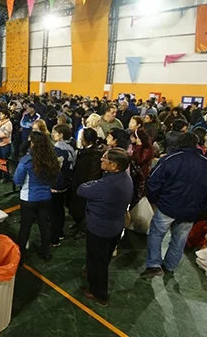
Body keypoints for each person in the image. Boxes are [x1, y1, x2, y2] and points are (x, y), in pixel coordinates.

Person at [141, 133, 207, 278]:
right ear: (196, 144)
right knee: (179, 240)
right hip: (190, 211)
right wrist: (202, 209)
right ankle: (170, 266)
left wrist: (155, 200)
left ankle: (153, 265)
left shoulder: (169, 160)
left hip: (167, 207)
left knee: (156, 234)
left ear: (178, 144)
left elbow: (153, 182)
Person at [77, 148, 133, 306]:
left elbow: (82, 189)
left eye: (105, 159)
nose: (101, 159)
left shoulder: (107, 184)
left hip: (100, 228)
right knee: (104, 256)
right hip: (115, 226)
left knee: (98, 262)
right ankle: (91, 270)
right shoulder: (125, 178)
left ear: (114, 166)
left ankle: (98, 293)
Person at [14, 131, 60, 261]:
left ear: (33, 144)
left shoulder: (26, 161)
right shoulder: (51, 159)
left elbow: (17, 180)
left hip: (29, 199)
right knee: (44, 225)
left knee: (25, 227)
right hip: (45, 198)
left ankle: (20, 255)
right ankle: (45, 252)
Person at [69, 128, 105, 235]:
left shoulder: (94, 154)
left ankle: (83, 228)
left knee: (83, 208)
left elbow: (93, 174)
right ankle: (79, 224)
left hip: (85, 186)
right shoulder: (83, 151)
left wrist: (88, 187)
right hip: (77, 183)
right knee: (76, 208)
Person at [50, 124, 76, 247]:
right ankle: (60, 232)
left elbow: (54, 168)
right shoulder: (71, 147)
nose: (52, 134)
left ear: (60, 135)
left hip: (56, 184)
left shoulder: (58, 150)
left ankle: (54, 238)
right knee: (59, 210)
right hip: (66, 182)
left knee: (54, 212)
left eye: (55, 133)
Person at [130, 128, 154, 209]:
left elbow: (139, 160)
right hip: (133, 174)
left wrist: (139, 146)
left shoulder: (147, 149)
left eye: (133, 137)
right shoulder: (133, 146)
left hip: (141, 175)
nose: (131, 138)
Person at [0, 108, 13, 182]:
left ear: (6, 115)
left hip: (5, 145)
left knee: (5, 161)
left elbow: (6, 134)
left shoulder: (9, 124)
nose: (0, 115)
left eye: (1, 114)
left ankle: (6, 176)